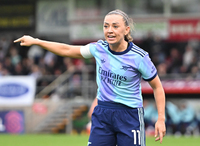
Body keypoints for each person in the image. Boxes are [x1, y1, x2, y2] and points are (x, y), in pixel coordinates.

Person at [14, 9, 166, 146]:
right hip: (103, 113)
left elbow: (157, 87)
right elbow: (66, 50)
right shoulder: (99, 49)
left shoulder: (139, 57)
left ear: (126, 30)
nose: (109, 30)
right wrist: (36, 41)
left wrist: (161, 118)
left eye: (115, 26)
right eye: (106, 26)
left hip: (129, 114)